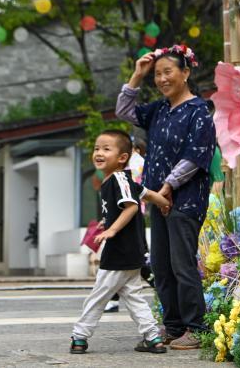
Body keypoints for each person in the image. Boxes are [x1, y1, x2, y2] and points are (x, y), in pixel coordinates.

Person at [115, 44, 215, 350]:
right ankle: (172, 325)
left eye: (167, 71)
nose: (161, 79)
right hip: (157, 200)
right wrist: (136, 75)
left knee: (183, 264)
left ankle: (196, 327)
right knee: (160, 264)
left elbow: (195, 156)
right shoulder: (158, 109)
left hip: (185, 200)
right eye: (157, 74)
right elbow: (124, 111)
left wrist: (168, 187)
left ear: (185, 73)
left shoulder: (199, 110)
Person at [70, 129, 170, 355]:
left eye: (106, 149)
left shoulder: (119, 178)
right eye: (97, 148)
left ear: (122, 158)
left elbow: (132, 206)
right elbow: (147, 194)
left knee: (98, 296)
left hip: (119, 252)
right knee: (134, 298)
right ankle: (153, 337)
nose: (99, 152)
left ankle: (80, 337)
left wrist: (112, 230)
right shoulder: (113, 182)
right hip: (131, 253)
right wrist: (164, 203)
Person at [105, 137, 152, 314]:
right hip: (128, 213)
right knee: (130, 259)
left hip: (130, 214)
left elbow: (135, 192)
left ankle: (159, 287)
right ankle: (113, 299)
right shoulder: (128, 164)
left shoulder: (135, 164)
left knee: (136, 258)